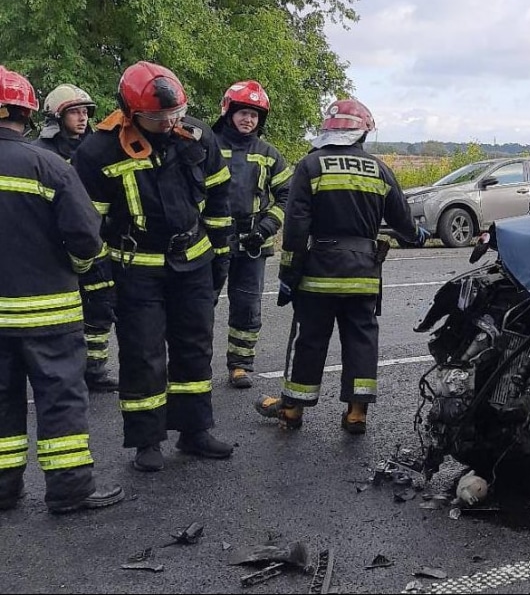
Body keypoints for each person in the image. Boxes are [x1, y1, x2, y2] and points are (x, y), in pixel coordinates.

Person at [72, 61, 236, 472]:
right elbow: (87, 225)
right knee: (143, 354)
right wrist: (98, 280)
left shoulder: (198, 136)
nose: (169, 123)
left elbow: (219, 200)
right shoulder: (98, 151)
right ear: (131, 112)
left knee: (195, 348)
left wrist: (221, 256)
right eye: (159, 117)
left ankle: (194, 431)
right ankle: (147, 441)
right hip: (136, 268)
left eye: (176, 113)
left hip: (193, 261)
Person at [254, 99, 427, 433]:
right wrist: (417, 235)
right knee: (361, 339)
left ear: (327, 130)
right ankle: (356, 413)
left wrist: (289, 274)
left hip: (319, 272)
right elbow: (403, 221)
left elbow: (296, 228)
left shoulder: (310, 165)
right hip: (364, 273)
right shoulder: (378, 168)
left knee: (309, 339)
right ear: (363, 132)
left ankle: (292, 409)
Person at [0, 65, 124, 513]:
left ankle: (3, 489)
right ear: (28, 112)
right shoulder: (48, 165)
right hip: (49, 314)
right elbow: (86, 237)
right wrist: (79, 267)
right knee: (60, 399)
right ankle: (69, 490)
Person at [31, 84, 120, 393]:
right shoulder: (40, 154)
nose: (83, 118)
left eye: (85, 112)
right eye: (75, 112)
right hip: (54, 247)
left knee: (100, 306)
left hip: (94, 242)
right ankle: (58, 371)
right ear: (57, 116)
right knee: (58, 315)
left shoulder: (95, 151)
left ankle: (94, 369)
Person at [211, 81, 291, 389]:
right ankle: (194, 365)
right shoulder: (208, 147)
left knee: (246, 306)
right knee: (200, 305)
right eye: (243, 112)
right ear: (228, 112)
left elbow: (288, 195)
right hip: (211, 242)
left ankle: (240, 365)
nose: (248, 119)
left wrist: (267, 227)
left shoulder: (268, 154)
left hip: (253, 244)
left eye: (254, 115)